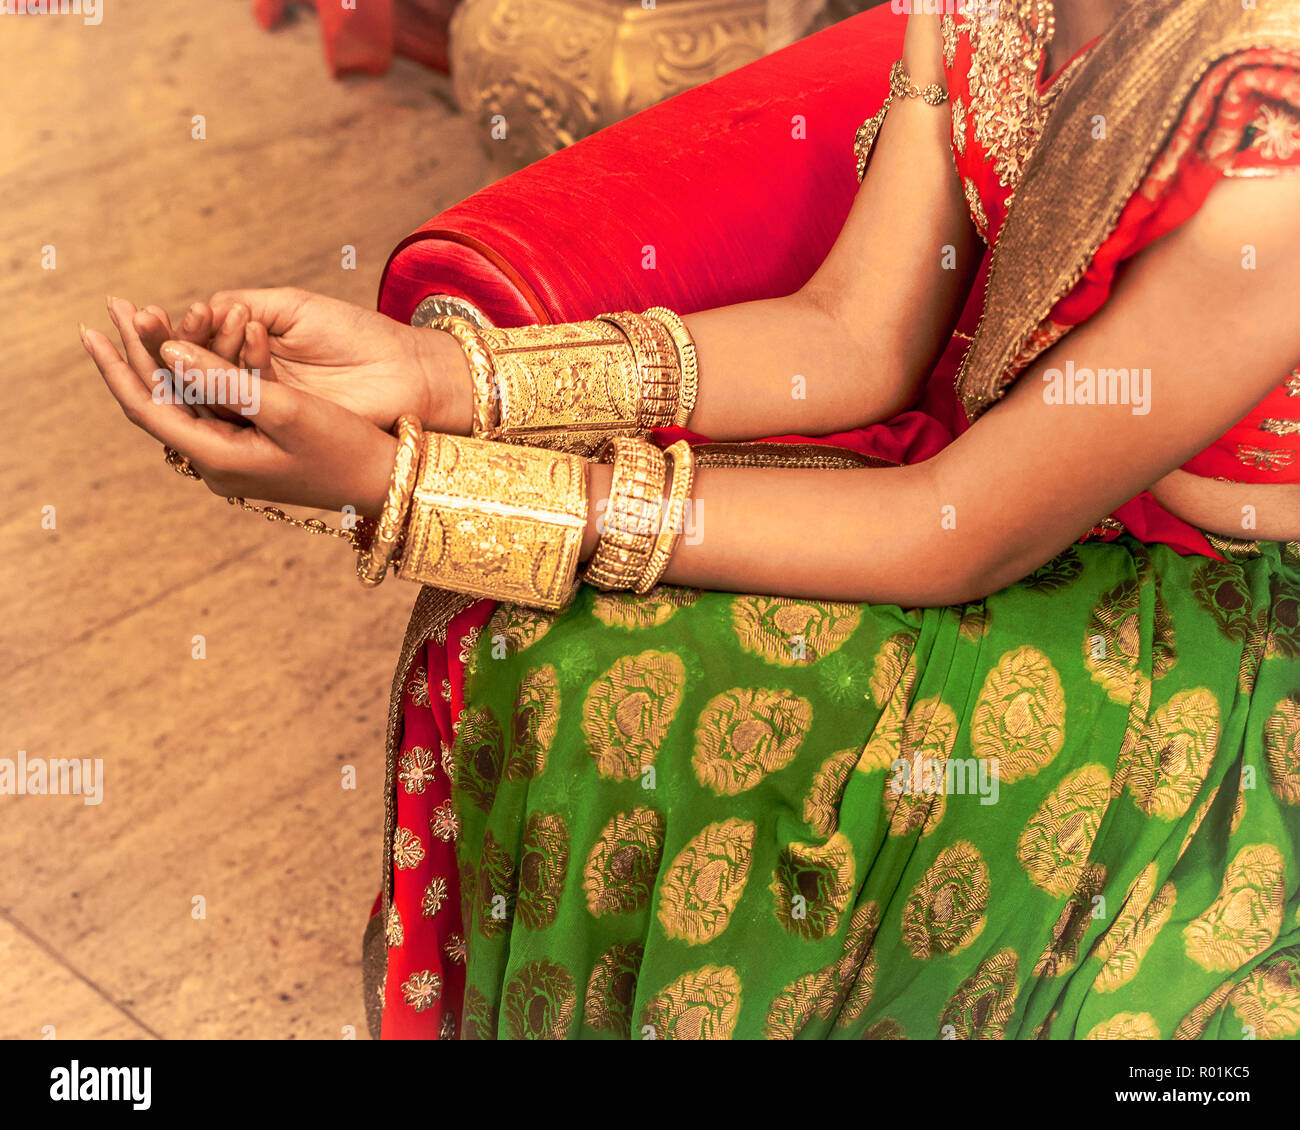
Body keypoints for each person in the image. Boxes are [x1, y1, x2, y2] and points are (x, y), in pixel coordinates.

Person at [83, 0, 1300, 1040]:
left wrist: (415, 492)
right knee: (527, 625)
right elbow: (855, 337)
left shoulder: (1268, 132)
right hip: (1015, 483)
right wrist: (441, 380)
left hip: (1206, 626)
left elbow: (957, 528)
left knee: (625, 678)